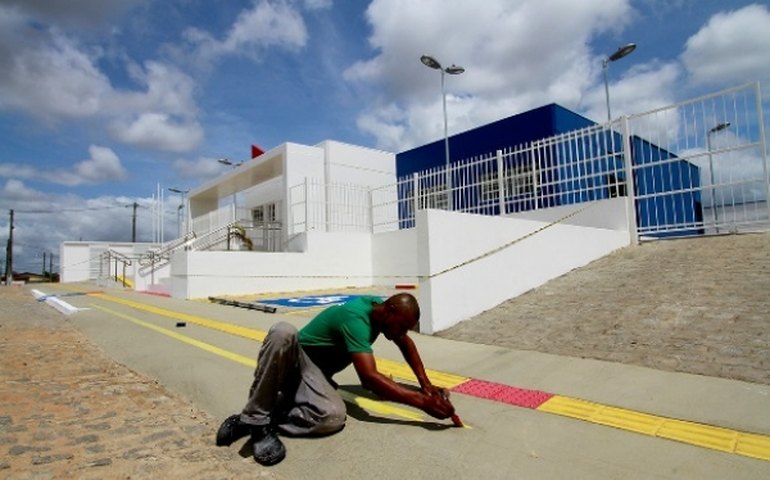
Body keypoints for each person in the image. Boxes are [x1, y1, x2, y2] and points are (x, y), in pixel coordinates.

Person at [215, 293, 456, 466]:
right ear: (390, 311)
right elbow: (369, 379)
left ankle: (269, 418)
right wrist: (424, 404)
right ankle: (256, 421)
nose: (402, 333)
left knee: (332, 417)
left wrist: (425, 386)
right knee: (283, 332)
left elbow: (406, 343)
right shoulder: (356, 319)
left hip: (313, 376)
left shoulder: (380, 309)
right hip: (293, 364)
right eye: (402, 326)